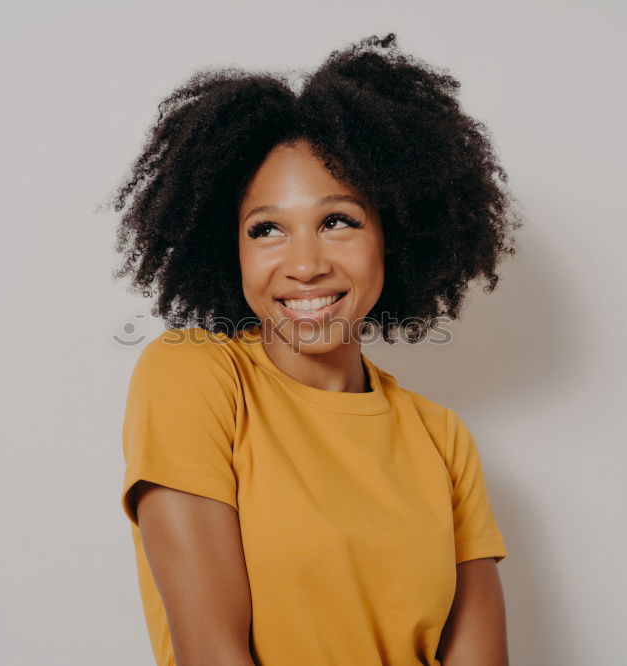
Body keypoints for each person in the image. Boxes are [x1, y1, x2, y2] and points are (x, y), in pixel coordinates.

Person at [104, 32, 522, 666]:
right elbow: (212, 654)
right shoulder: (194, 376)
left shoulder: (442, 438)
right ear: (230, 251)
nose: (304, 264)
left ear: (394, 235)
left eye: (338, 221)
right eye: (266, 229)